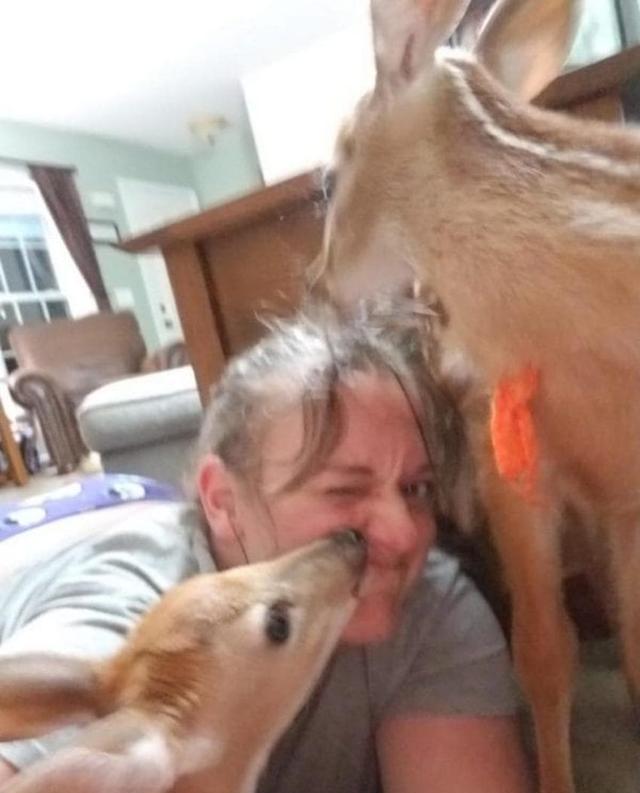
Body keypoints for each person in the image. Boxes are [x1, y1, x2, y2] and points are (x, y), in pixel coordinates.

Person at [0, 310, 532, 792]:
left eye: (416, 488)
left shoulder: (427, 598)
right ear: (222, 500)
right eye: (344, 490)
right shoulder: (139, 624)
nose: (407, 534)